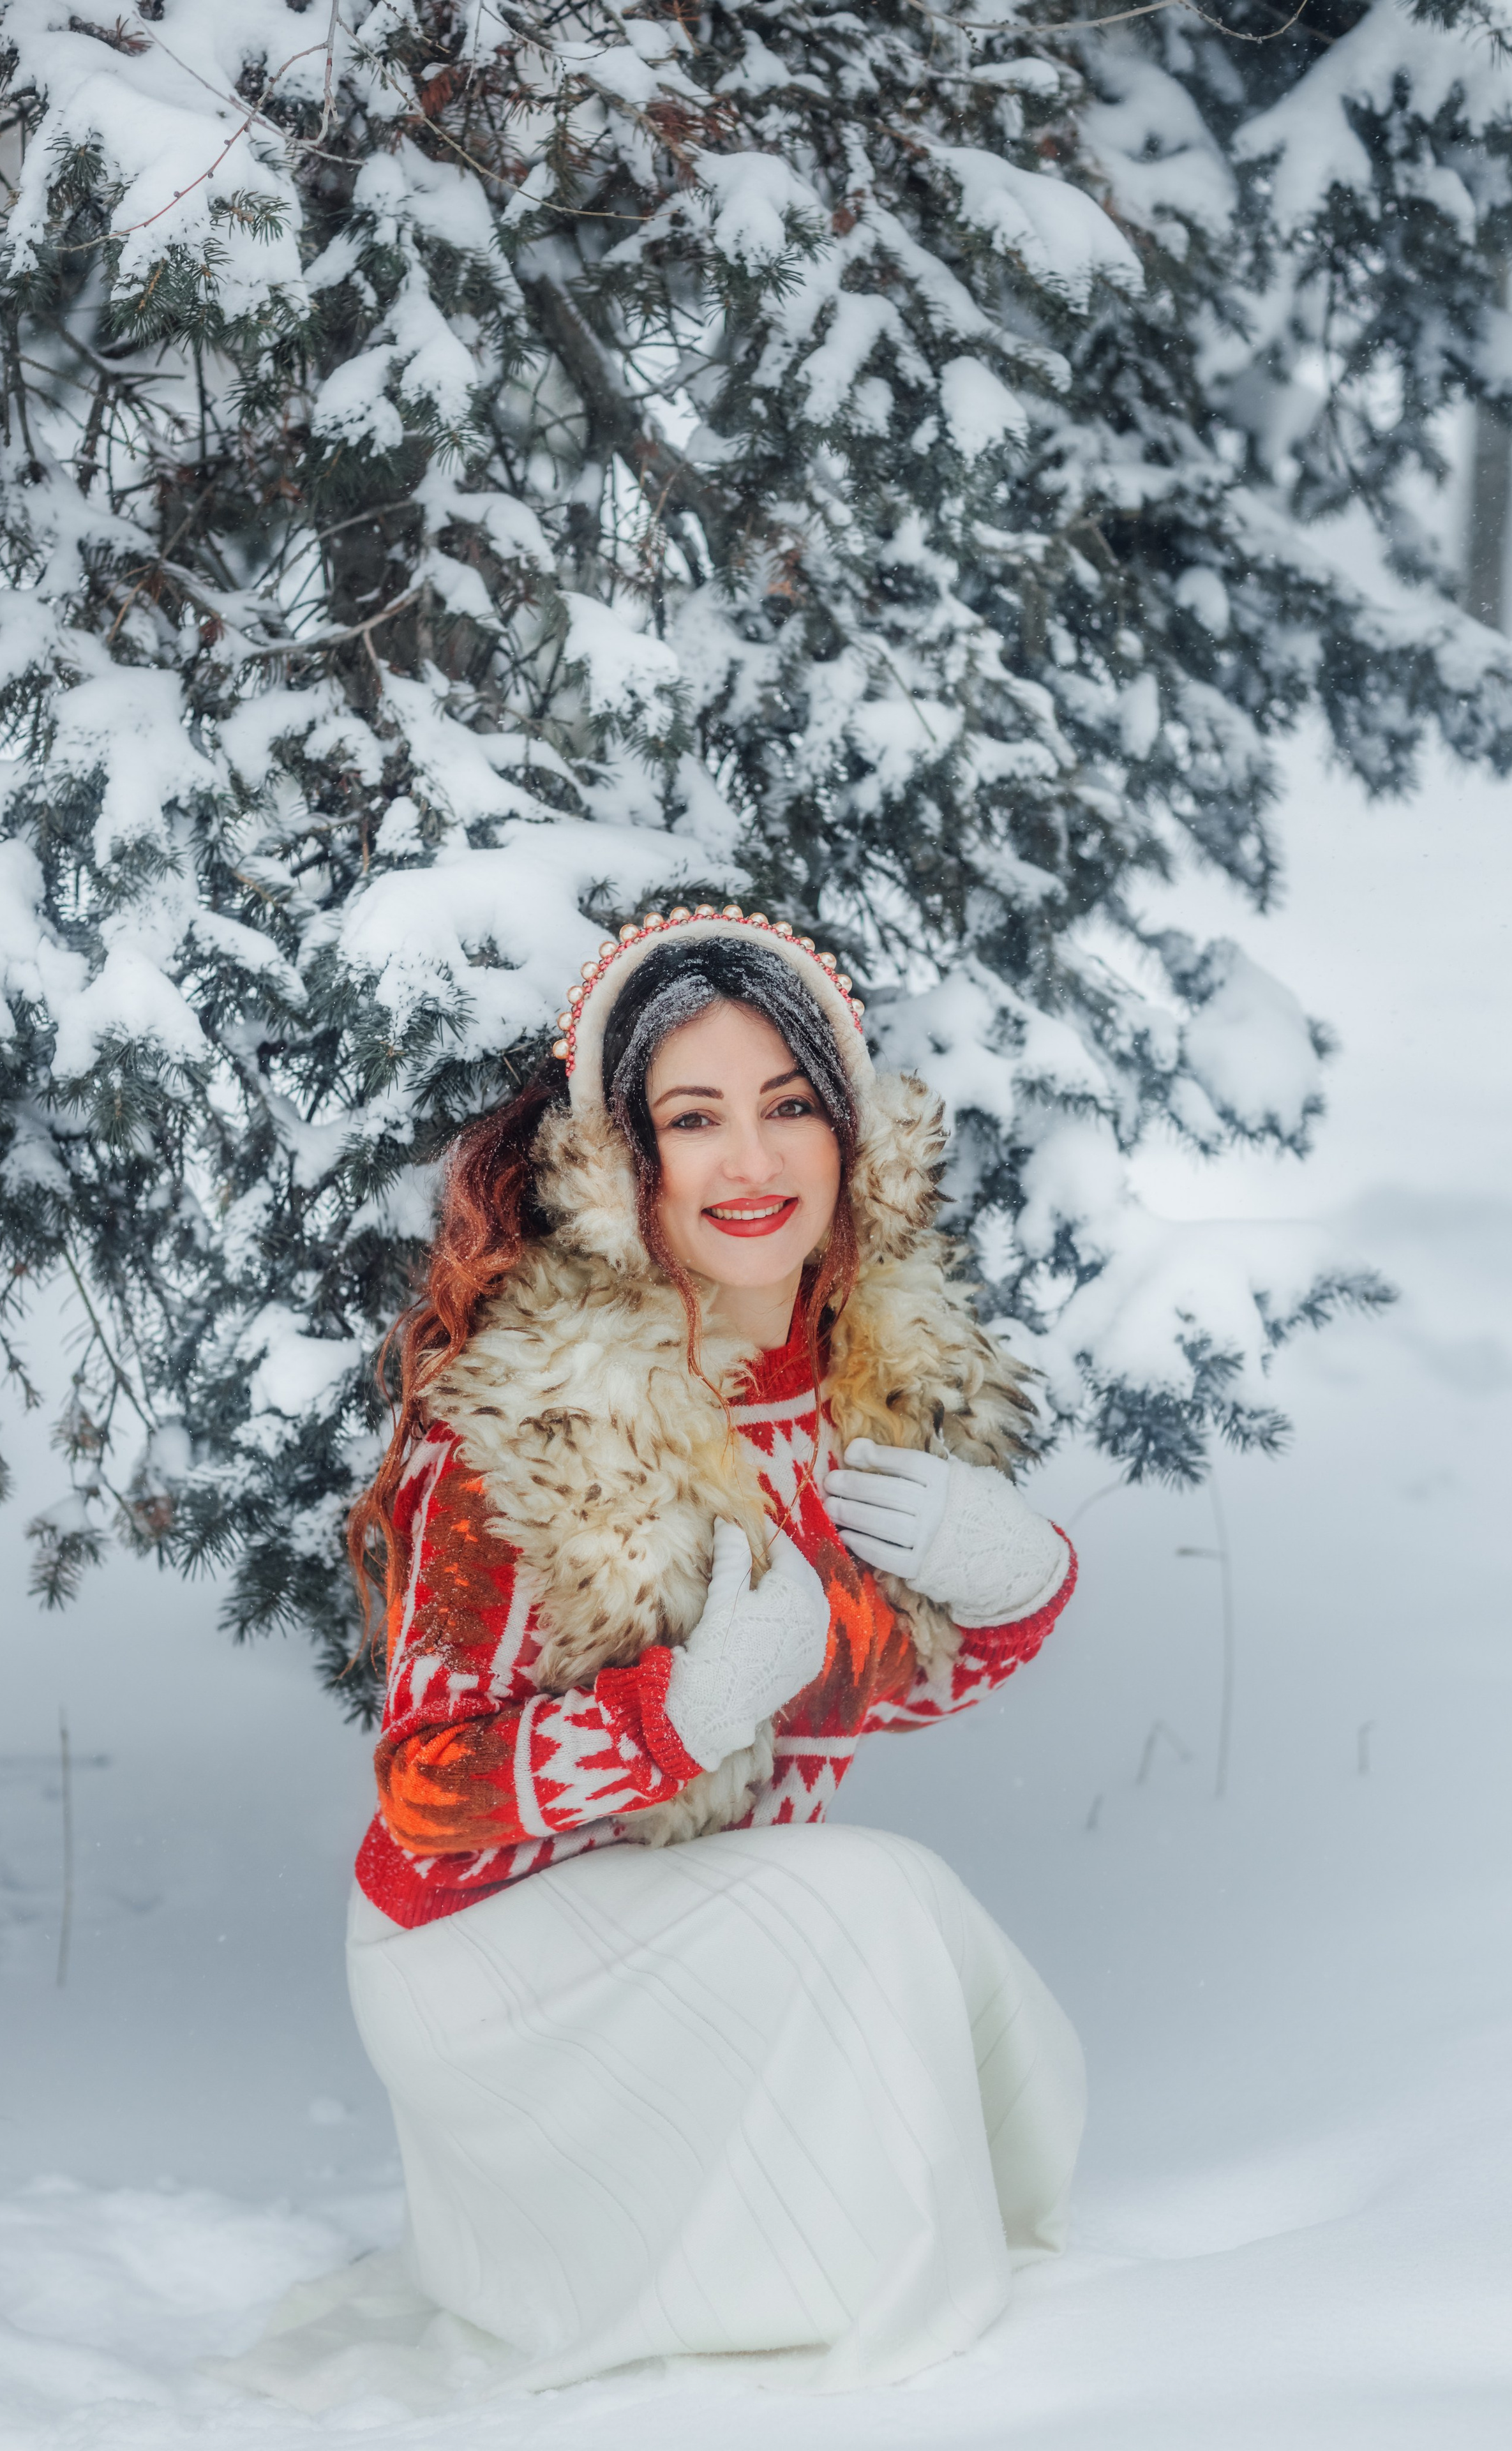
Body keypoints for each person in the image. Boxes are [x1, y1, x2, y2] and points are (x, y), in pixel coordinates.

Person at [341, 904, 1085, 2395]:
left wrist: (1013, 1587)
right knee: (864, 1903)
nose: (750, 1164)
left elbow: (867, 1681)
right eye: (695, 1119)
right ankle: (896, 2350)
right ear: (624, 1162)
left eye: (788, 1107)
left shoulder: (865, 1375)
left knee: (919, 1920)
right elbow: (428, 1789)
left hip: (691, 1895)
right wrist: (669, 1714)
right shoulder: (532, 1416)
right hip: (481, 1956)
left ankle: (973, 2274)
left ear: (851, 1135)